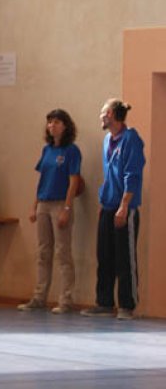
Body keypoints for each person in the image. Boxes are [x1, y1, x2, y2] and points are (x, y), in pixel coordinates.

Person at [82, 99, 146, 320]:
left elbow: (132, 175)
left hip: (124, 208)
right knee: (104, 255)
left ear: (110, 114)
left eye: (102, 113)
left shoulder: (131, 139)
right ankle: (104, 302)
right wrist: (105, 202)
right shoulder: (107, 139)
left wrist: (124, 206)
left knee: (124, 257)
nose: (100, 117)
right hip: (108, 205)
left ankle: (127, 305)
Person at [19, 109, 81, 314]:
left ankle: (66, 299)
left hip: (60, 203)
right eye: (49, 122)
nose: (52, 125)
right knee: (43, 252)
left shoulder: (71, 151)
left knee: (63, 253)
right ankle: (39, 297)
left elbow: (74, 181)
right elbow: (42, 179)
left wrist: (66, 208)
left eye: (56, 122)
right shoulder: (47, 150)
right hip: (44, 203)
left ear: (65, 126)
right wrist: (34, 205)